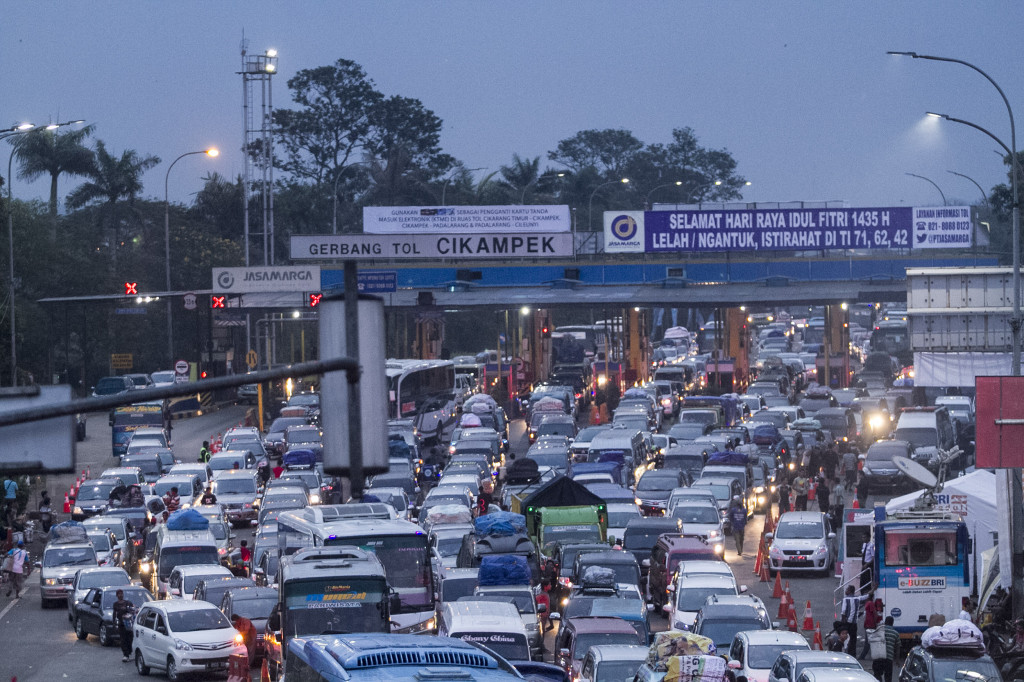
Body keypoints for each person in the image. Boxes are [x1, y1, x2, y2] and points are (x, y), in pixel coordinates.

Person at [840, 584, 867, 656]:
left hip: (846, 622)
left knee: (844, 638)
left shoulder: (845, 599)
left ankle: (844, 652)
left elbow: (843, 612)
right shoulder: (857, 599)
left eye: (847, 589)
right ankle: (852, 654)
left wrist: (843, 624)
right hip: (854, 623)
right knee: (853, 639)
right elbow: (866, 596)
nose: (846, 591)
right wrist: (873, 589)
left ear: (849, 591)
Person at [872, 616, 900, 682]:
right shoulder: (895, 633)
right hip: (889, 659)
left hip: (878, 657)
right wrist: (897, 660)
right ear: (892, 623)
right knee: (888, 677)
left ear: (885, 622)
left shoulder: (878, 630)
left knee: (877, 675)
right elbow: (897, 648)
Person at [112, 589, 137, 662]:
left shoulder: (128, 603)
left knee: (130, 638)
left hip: (128, 624)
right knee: (123, 640)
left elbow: (133, 611)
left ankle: (129, 651)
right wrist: (114, 623)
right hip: (121, 624)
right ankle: (125, 654)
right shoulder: (115, 604)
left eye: (121, 593)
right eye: (119, 594)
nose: (121, 595)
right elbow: (114, 614)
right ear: (117, 595)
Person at [860, 591, 880, 659]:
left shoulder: (870, 603)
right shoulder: (869, 603)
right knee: (868, 640)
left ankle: (863, 656)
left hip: (870, 624)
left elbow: (875, 614)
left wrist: (874, 623)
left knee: (867, 641)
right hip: (868, 624)